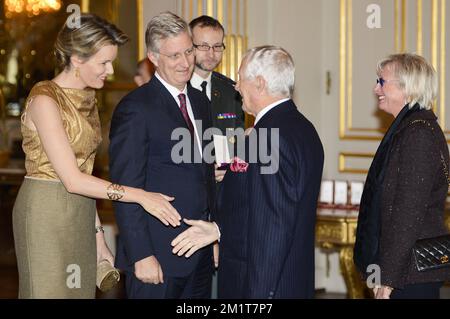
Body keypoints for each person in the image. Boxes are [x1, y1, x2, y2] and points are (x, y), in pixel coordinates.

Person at [12, 14, 181, 299]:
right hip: (46, 214)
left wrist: (98, 237)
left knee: (79, 293)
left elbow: (84, 173)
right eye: (103, 62)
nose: (109, 69)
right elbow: (73, 179)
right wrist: (140, 195)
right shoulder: (44, 100)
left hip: (80, 211)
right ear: (77, 58)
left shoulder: (87, 98)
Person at [171, 45, 324, 299]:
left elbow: (272, 228)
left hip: (262, 285)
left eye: (241, 78)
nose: (237, 86)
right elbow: (259, 209)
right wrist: (218, 229)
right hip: (290, 279)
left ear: (260, 83)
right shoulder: (303, 128)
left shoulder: (266, 138)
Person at [109, 12, 215, 299]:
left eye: (189, 51)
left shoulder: (201, 102)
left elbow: (206, 177)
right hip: (156, 259)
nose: (185, 63)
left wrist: (214, 237)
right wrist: (141, 254)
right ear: (153, 57)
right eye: (174, 56)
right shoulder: (135, 108)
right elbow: (124, 188)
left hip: (200, 256)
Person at [353, 53, 450, 299]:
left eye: (382, 82)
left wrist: (388, 278)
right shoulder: (411, 128)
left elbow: (408, 213)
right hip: (406, 270)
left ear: (408, 87)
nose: (376, 89)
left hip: (410, 274)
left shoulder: (418, 134)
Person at [189, 15, 245, 136]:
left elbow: (237, 141)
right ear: (190, 46)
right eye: (204, 46)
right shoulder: (178, 88)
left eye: (217, 46)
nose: (211, 53)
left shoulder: (231, 91)